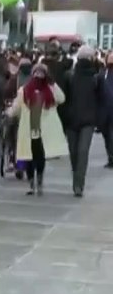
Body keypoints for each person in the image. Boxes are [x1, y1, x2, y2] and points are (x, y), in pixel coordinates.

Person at [9, 63, 67, 197]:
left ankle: (39, 180)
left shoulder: (50, 90)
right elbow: (17, 106)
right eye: (36, 73)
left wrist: (53, 84)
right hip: (28, 130)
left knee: (40, 157)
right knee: (28, 157)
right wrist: (8, 113)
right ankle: (31, 182)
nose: (39, 76)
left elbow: (61, 98)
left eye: (42, 73)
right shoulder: (24, 90)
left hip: (43, 131)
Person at [60, 45, 101, 196]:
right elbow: (63, 100)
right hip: (73, 120)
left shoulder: (96, 78)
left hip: (87, 122)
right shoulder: (69, 76)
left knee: (82, 152)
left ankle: (78, 184)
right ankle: (77, 177)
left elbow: (101, 99)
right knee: (75, 153)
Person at [101, 51, 113, 168]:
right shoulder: (103, 74)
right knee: (109, 135)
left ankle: (111, 157)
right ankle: (111, 157)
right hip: (106, 109)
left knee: (109, 135)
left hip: (107, 109)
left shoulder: (103, 74)